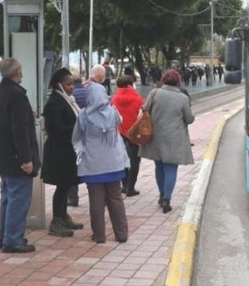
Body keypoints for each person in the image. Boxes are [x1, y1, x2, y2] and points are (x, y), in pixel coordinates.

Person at [0, 58, 40, 253]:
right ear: (17, 71)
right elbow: (19, 130)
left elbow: (1, 122)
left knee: (7, 198)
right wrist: (26, 159)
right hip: (16, 157)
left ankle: (4, 236)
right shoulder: (17, 95)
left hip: (1, 154)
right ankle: (13, 240)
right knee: (18, 199)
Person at [72, 83, 130, 244]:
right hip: (114, 162)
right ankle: (121, 233)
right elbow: (120, 123)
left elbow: (76, 137)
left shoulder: (83, 115)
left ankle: (99, 235)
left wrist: (80, 151)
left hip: (93, 164)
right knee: (115, 197)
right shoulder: (113, 112)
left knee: (96, 200)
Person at [139, 70, 195, 213]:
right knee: (171, 168)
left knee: (159, 166)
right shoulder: (183, 98)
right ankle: (167, 199)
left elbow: (145, 109)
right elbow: (189, 119)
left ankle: (161, 194)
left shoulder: (154, 93)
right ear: (178, 82)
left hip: (156, 137)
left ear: (163, 80)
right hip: (174, 139)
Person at [41, 68, 84, 237]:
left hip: (68, 150)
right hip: (59, 151)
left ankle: (63, 215)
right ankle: (56, 220)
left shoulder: (68, 100)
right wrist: (77, 128)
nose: (72, 87)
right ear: (59, 85)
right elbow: (55, 128)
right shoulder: (54, 102)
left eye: (72, 83)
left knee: (66, 185)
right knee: (62, 186)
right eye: (68, 84)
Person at [111, 76, 144, 197]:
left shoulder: (114, 99)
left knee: (122, 158)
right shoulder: (138, 99)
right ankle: (131, 187)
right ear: (130, 85)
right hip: (134, 133)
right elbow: (142, 114)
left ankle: (124, 184)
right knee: (134, 160)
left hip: (119, 132)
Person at [67, 70, 88, 207]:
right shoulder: (88, 93)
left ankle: (73, 197)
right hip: (87, 134)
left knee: (73, 165)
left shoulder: (70, 96)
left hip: (73, 135)